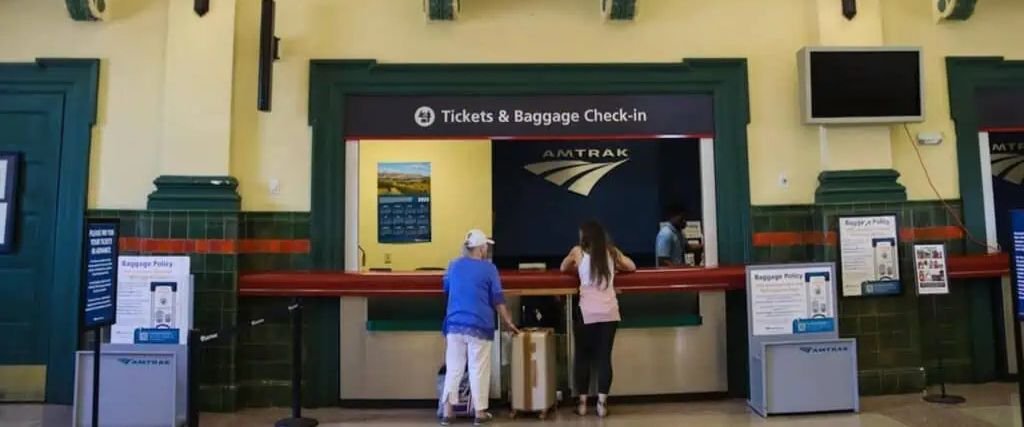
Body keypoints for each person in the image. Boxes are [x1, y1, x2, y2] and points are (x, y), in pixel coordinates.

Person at [440, 229, 518, 426]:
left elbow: (447, 287)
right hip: (479, 324)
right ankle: (480, 412)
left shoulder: (453, 265)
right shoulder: (489, 269)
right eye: (485, 246)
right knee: (478, 368)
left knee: (454, 367)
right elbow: (498, 299)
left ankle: (448, 411)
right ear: (481, 248)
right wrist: (508, 322)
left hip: (454, 324)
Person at [560, 220, 636, 418]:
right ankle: (602, 404)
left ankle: (583, 404)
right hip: (610, 312)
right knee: (604, 358)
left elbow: (562, 268)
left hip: (587, 313)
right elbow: (632, 266)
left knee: (583, 358)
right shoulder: (611, 252)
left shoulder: (578, 252)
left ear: (584, 237)